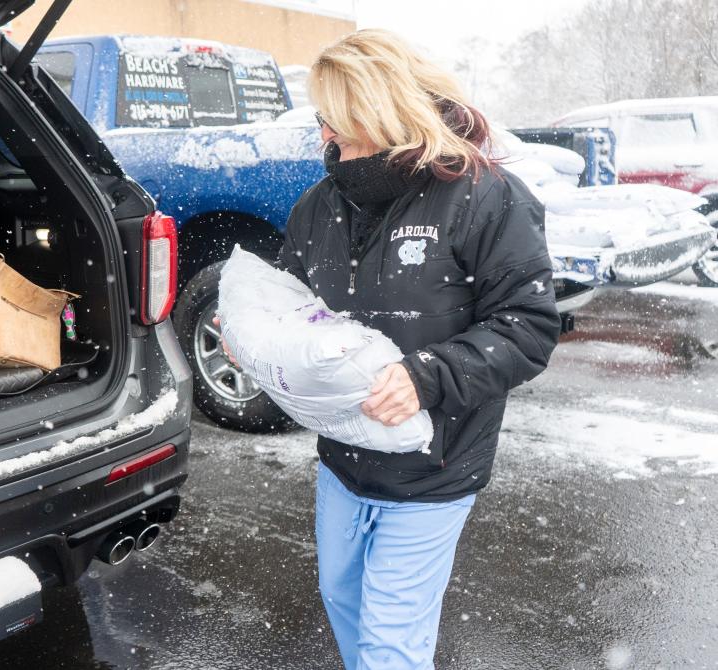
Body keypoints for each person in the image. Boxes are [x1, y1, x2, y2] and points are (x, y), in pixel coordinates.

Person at [230, 29, 561, 669]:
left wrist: (426, 376)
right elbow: (289, 314)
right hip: (343, 462)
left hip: (436, 466)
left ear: (379, 111)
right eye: (321, 118)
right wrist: (261, 350)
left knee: (390, 641)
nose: (323, 133)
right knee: (343, 599)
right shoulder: (317, 208)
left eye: (335, 118)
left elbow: (527, 325)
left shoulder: (485, 197)